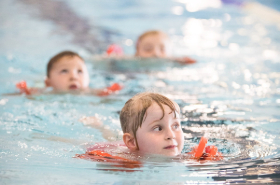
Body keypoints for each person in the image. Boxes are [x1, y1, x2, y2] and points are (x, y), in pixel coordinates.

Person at [79, 92, 221, 163]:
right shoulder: (123, 160)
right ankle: (99, 126)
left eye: (176, 125)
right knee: (108, 137)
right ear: (132, 142)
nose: (171, 134)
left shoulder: (180, 156)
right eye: (158, 128)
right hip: (114, 147)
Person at [16, 50, 122, 96]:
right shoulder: (47, 92)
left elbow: (107, 93)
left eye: (80, 71)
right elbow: (31, 93)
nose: (74, 77)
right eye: (64, 71)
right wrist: (25, 91)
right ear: (48, 82)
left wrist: (111, 91)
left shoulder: (90, 92)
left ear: (88, 79)